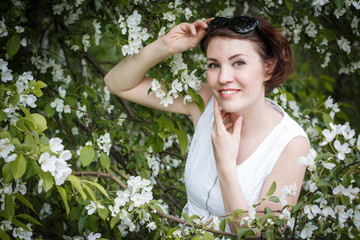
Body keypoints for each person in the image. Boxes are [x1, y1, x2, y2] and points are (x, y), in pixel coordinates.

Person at [104, 15, 309, 232]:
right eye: (214, 65)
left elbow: (263, 235)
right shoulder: (203, 101)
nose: (223, 77)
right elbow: (117, 83)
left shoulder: (291, 144)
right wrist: (165, 46)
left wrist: (225, 164)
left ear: (268, 67)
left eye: (238, 62)